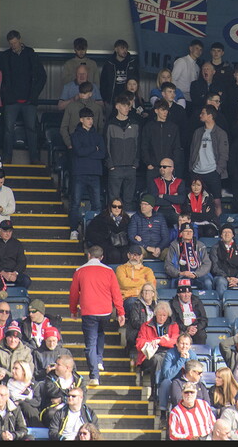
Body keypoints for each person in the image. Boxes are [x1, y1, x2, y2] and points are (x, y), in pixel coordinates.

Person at [69, 245, 125, 386]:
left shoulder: (79, 271)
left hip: (88, 311)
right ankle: (99, 359)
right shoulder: (109, 271)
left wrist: (73, 310)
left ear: (88, 255)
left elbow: (74, 293)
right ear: (102, 257)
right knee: (100, 333)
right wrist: (120, 312)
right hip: (105, 311)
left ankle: (94, 375)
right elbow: (116, 293)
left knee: (90, 343)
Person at [0, 30, 47, 164]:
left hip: (29, 100)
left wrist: (34, 94)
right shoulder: (5, 57)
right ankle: (7, 157)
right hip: (11, 101)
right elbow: (0, 78)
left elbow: (42, 76)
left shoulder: (31, 54)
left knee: (31, 129)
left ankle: (34, 158)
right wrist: (6, 95)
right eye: (11, 43)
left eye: (15, 43)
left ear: (20, 40)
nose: (13, 46)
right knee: (8, 129)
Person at [188, 104, 229, 210]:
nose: (200, 115)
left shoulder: (220, 133)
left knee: (216, 201)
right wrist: (191, 168)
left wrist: (218, 171)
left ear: (210, 116)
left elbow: (224, 154)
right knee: (196, 201)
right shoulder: (197, 132)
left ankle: (217, 221)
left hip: (212, 172)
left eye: (203, 113)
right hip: (197, 171)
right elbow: (192, 151)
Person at [105, 95, 141, 211]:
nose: (127, 108)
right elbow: (106, 145)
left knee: (129, 200)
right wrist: (110, 164)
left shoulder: (135, 124)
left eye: (128, 106)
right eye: (124, 106)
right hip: (115, 167)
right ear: (117, 106)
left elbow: (138, 144)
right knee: (113, 200)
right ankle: (113, 222)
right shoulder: (110, 124)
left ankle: (127, 221)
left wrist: (135, 163)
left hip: (131, 167)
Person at [166, 223, 214, 290]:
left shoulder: (200, 245)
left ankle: (209, 297)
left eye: (190, 231)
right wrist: (180, 273)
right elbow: (168, 265)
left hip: (199, 275)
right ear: (181, 233)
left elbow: (207, 263)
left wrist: (196, 274)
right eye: (186, 231)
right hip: (181, 275)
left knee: (207, 282)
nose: (188, 233)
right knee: (180, 284)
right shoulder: (174, 245)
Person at [210, 223, 238, 293]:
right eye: (224, 232)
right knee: (221, 281)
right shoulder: (215, 248)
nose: (227, 234)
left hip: (237, 279)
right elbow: (215, 267)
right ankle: (222, 299)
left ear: (233, 235)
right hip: (222, 277)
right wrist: (227, 278)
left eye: (229, 232)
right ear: (221, 235)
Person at [128, 194, 170, 260]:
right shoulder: (135, 217)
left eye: (146, 204)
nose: (143, 206)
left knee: (170, 252)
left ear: (152, 206)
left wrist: (159, 248)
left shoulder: (160, 217)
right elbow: (131, 236)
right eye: (142, 204)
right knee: (136, 250)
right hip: (143, 248)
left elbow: (166, 237)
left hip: (158, 250)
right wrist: (147, 247)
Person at [147, 156, 186, 227]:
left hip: (174, 212)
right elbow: (154, 200)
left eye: (164, 167)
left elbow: (181, 200)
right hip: (158, 211)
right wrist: (173, 198)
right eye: (160, 166)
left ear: (171, 168)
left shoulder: (180, 182)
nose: (161, 168)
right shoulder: (154, 181)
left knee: (183, 223)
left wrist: (164, 196)